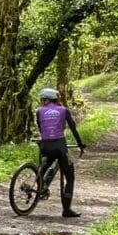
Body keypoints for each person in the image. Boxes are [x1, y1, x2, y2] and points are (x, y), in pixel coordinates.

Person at [36, 86, 85, 217]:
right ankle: (67, 209)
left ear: (45, 100)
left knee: (47, 161)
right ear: (55, 99)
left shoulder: (39, 111)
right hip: (60, 146)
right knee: (70, 176)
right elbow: (73, 128)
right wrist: (80, 143)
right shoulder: (63, 110)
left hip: (45, 145)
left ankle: (40, 182)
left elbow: (42, 129)